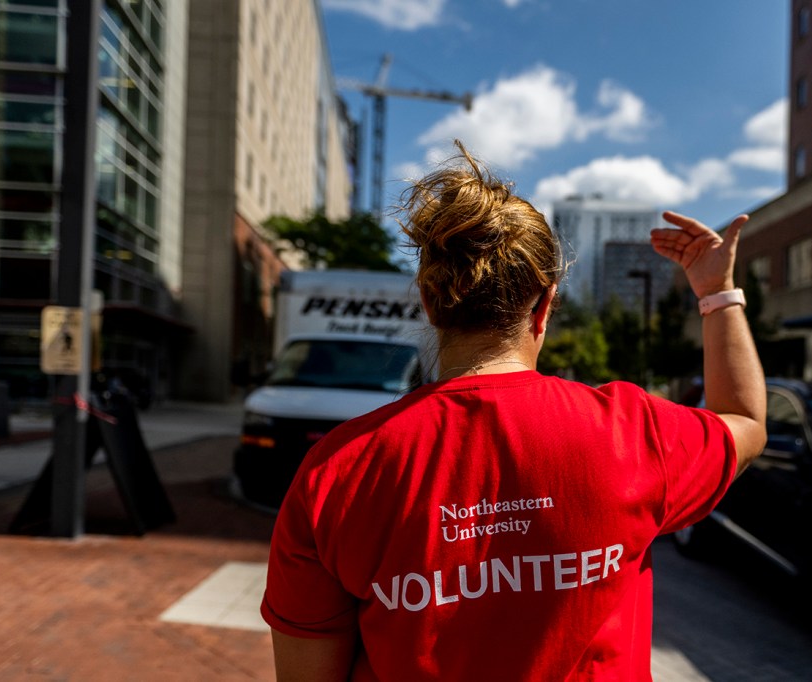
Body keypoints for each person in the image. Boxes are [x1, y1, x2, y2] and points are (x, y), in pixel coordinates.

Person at [261, 141, 766, 681]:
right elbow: (746, 421)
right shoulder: (632, 431)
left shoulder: (337, 470)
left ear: (430, 304)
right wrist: (717, 293)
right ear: (544, 306)